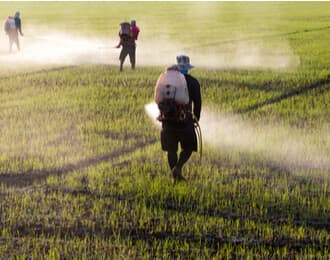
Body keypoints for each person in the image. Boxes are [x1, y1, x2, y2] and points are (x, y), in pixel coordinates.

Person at [160, 55, 202, 183]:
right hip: (185, 120)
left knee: (171, 150)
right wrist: (196, 118)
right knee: (189, 146)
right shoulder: (193, 82)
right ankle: (178, 168)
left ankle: (175, 175)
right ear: (188, 68)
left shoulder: (166, 81)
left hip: (168, 120)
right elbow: (198, 103)